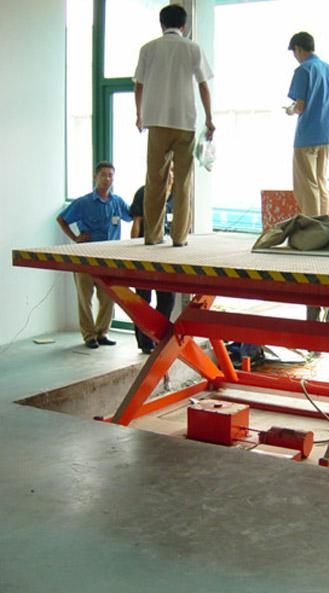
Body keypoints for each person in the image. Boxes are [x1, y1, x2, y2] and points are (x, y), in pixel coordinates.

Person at [134, 3, 215, 247]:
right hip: (184, 122)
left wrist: (139, 115)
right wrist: (209, 118)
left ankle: (153, 235)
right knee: (183, 182)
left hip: (156, 121)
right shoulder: (192, 48)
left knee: (155, 181)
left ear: (161, 24)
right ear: (184, 25)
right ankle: (179, 237)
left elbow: (139, 85)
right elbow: (203, 85)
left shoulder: (148, 49)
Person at [56, 162, 132, 349]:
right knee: (85, 297)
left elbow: (132, 215)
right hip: (85, 257)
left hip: (110, 258)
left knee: (109, 297)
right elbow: (61, 219)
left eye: (111, 175)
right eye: (103, 175)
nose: (107, 179)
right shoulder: (84, 202)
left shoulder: (117, 202)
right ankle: (89, 336)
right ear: (95, 177)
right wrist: (75, 238)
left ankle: (102, 332)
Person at [286, 31, 329, 218]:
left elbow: (300, 106)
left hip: (307, 136)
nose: (295, 57)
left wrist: (290, 109)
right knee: (321, 182)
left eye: (294, 52)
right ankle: (324, 224)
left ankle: (312, 227)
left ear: (298, 49)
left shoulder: (304, 70)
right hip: (327, 134)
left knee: (307, 185)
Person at [130, 165, 175, 354]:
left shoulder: (177, 195)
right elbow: (136, 223)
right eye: (167, 170)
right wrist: (134, 253)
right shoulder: (144, 192)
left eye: (172, 170)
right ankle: (145, 342)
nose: (169, 174)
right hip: (145, 254)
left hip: (168, 256)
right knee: (143, 299)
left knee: (167, 299)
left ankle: (159, 336)